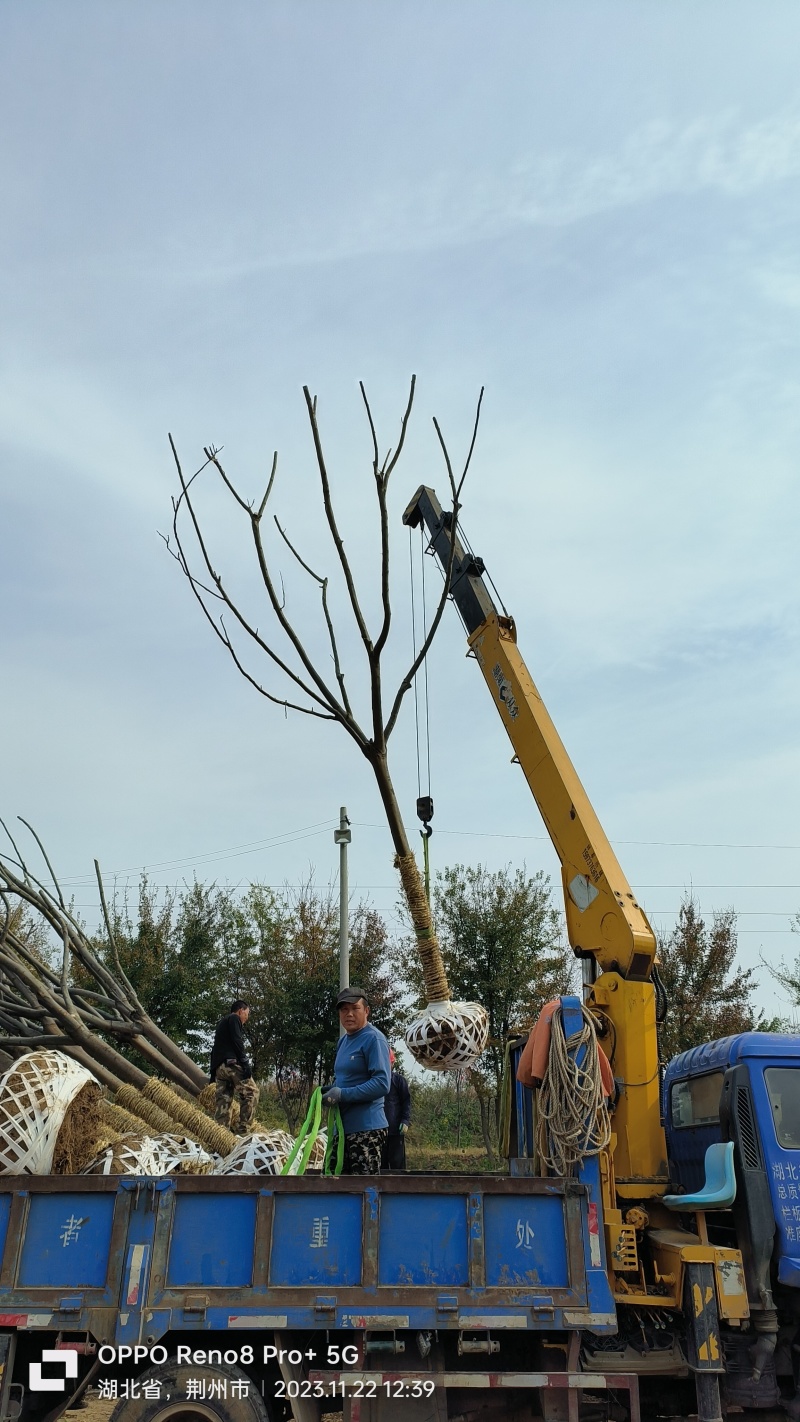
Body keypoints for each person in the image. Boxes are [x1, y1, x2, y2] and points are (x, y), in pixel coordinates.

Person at [322, 987, 390, 1175]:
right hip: (341, 1130)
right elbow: (346, 1079)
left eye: (355, 1008)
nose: (349, 1014)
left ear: (366, 1011)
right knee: (333, 1185)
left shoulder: (374, 1039)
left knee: (361, 1192)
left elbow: (382, 1083)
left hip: (366, 1130)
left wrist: (343, 1094)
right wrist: (331, 1090)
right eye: (344, 1010)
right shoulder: (343, 1041)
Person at [210, 999, 259, 1135]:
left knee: (224, 1101)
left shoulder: (222, 1024)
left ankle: (220, 1136)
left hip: (220, 1068)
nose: (246, 1018)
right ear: (240, 1010)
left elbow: (215, 1049)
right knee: (252, 1092)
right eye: (246, 1014)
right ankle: (243, 1131)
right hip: (231, 1064)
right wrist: (244, 1061)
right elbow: (237, 1040)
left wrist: (212, 1072)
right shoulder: (234, 1018)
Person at [381, 1048, 411, 1171]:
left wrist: (405, 1120)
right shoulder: (374, 1082)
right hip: (378, 1132)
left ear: (392, 1064)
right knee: (379, 1166)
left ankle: (399, 1190)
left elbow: (406, 1102)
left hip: (395, 1131)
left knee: (397, 1167)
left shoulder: (399, 1081)